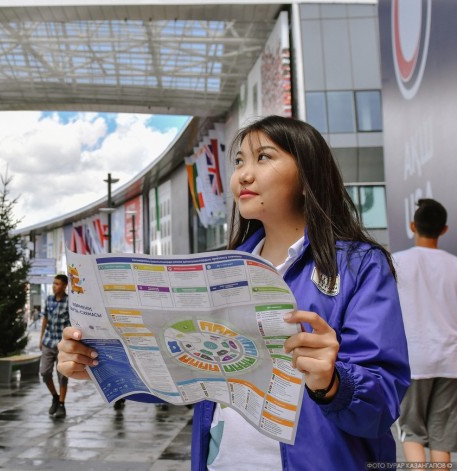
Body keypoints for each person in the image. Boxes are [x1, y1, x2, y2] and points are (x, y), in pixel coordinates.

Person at [57, 115, 410, 470]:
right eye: (239, 161)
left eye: (264, 157)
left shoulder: (359, 266)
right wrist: (99, 364)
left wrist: (333, 383)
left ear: (307, 177)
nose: (243, 174)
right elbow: (187, 377)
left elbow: (383, 401)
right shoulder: (220, 271)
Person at [393, 198, 457, 464]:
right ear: (444, 229)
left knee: (412, 432)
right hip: (451, 361)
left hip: (414, 360)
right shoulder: (454, 265)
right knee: (442, 438)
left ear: (412, 226)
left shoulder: (396, 262)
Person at [40, 274, 70, 419]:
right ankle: (55, 397)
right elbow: (45, 318)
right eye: (53, 283)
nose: (54, 286)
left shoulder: (69, 302)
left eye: (57, 284)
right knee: (44, 372)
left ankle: (62, 405)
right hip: (48, 341)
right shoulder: (49, 300)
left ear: (64, 286)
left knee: (62, 376)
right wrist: (41, 338)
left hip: (62, 345)